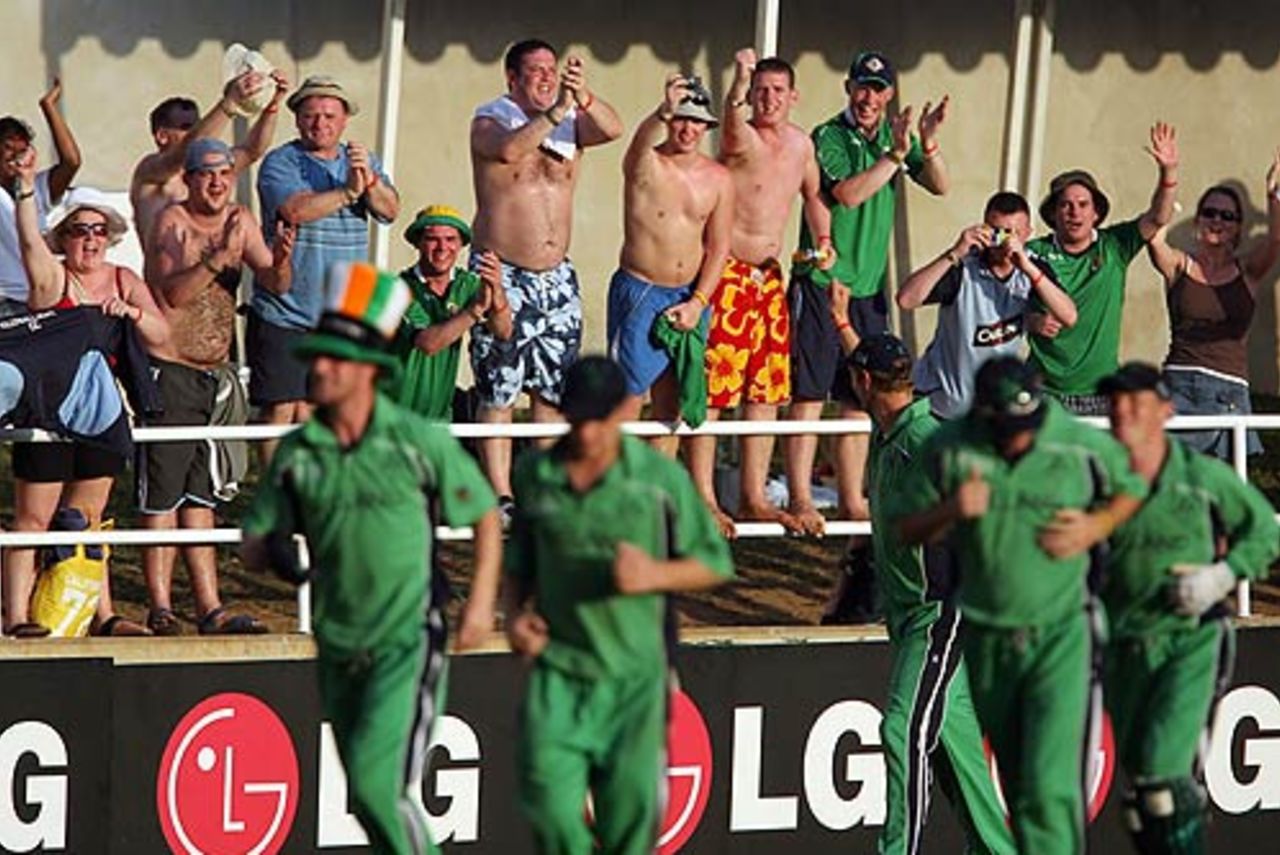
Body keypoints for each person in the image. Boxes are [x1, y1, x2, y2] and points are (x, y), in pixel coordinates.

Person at [242, 261, 502, 854]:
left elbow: (484, 513)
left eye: (332, 358)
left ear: (365, 369)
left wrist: (482, 605)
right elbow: (254, 537)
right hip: (338, 643)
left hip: (407, 639)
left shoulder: (417, 441)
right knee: (364, 795)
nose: (318, 368)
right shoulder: (299, 452)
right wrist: (271, 548)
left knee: (380, 787)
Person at [896, 357, 1147, 855]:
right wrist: (950, 510)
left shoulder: (1074, 439)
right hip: (990, 636)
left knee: (1051, 785)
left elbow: (1134, 487)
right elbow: (903, 526)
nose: (1019, 441)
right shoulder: (949, 445)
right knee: (1012, 780)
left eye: (1027, 427)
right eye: (1007, 430)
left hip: (1063, 636)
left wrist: (1096, 527)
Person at [504, 355, 733, 855]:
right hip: (558, 672)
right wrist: (515, 616)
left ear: (622, 413)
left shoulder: (657, 479)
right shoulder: (537, 475)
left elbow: (714, 562)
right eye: (577, 418)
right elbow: (519, 559)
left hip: (634, 677)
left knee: (629, 825)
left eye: (598, 419)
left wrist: (655, 573)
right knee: (548, 804)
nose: (586, 433)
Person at [842, 331, 1015, 855]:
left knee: (902, 731)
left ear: (865, 382)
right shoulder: (889, 429)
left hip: (943, 613)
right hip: (911, 615)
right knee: (953, 750)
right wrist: (843, 319)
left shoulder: (927, 441)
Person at [1100, 361, 1279, 853]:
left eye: (1136, 405)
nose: (1123, 416)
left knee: (1163, 776)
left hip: (1190, 639)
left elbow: (1265, 531)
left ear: (1165, 411)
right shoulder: (1102, 482)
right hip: (1126, 644)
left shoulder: (1198, 477)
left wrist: (1221, 575)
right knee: (1138, 793)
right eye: (1116, 405)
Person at [785, 50, 950, 535]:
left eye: (878, 89)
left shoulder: (894, 138)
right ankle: (798, 495)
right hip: (820, 282)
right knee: (810, 390)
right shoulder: (829, 135)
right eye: (862, 87)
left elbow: (940, 185)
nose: (869, 97)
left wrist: (929, 143)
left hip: (868, 288)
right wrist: (896, 155)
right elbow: (848, 194)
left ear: (889, 94)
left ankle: (851, 499)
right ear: (848, 88)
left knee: (862, 394)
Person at [139, 138, 295, 635]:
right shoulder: (171, 222)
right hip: (172, 370)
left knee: (203, 497)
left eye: (225, 173)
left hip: (218, 375)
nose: (217, 182)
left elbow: (274, 283)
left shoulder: (240, 219)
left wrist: (283, 260)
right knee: (163, 497)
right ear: (188, 178)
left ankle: (209, 605)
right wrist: (218, 257)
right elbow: (171, 295)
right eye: (207, 174)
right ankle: (160, 604)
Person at [8, 175, 170, 638]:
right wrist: (23, 194)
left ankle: (102, 615)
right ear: (63, 238)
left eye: (100, 230)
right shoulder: (52, 280)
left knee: (89, 520)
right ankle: (18, 614)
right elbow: (28, 244)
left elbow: (162, 337)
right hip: (48, 419)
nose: (91, 238)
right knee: (34, 519)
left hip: (101, 419)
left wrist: (134, 314)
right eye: (80, 230)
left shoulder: (124, 280)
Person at [686, 48, 834, 536]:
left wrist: (826, 241)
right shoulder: (741, 136)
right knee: (713, 391)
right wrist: (738, 79)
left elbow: (813, 197)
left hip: (770, 278)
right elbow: (729, 124)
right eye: (760, 91)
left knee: (764, 391)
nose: (767, 99)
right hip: (726, 271)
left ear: (793, 97)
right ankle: (704, 495)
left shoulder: (801, 146)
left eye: (776, 91)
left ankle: (753, 496)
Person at [470, 39, 623, 509]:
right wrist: (557, 111)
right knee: (500, 387)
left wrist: (584, 96)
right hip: (505, 274)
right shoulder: (490, 119)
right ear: (511, 77)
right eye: (535, 70)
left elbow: (614, 130)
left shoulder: (572, 122)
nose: (546, 76)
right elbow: (512, 151)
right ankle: (500, 493)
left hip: (556, 278)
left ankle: (544, 486)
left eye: (552, 69)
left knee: (552, 390)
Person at [253, 75, 400, 461]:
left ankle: (318, 488)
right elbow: (295, 211)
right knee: (280, 409)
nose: (320, 123)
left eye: (329, 116)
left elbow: (390, 210)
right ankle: (276, 492)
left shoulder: (362, 160)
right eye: (311, 115)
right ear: (298, 119)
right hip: (285, 309)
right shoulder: (280, 162)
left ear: (345, 119)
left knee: (323, 405)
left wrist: (368, 182)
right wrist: (349, 192)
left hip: (341, 311)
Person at [610, 72, 732, 455]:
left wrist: (698, 302)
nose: (688, 127)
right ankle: (613, 489)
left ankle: (655, 489)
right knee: (627, 398)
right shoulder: (647, 162)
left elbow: (720, 245)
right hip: (642, 290)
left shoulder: (719, 178)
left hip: (688, 296)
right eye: (681, 117)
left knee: (673, 401)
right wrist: (662, 111)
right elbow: (637, 147)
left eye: (696, 120)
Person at [1026, 123, 1179, 415]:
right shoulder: (1034, 252)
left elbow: (1159, 216)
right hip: (1042, 390)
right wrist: (1028, 321)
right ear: (1053, 213)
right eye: (1066, 205)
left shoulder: (1115, 246)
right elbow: (998, 303)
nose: (1075, 212)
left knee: (1097, 463)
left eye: (1083, 204)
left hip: (1100, 393)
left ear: (1096, 213)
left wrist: (1168, 173)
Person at [898, 190, 1077, 419]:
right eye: (996, 232)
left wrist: (1029, 270)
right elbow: (905, 299)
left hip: (990, 410)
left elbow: (1069, 316)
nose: (1003, 242)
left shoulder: (1031, 270)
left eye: (1011, 233)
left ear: (1027, 234)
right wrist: (955, 252)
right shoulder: (963, 269)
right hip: (943, 406)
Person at [1146, 156, 1280, 459]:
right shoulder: (1180, 264)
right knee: (1174, 482)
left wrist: (1273, 195)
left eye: (1227, 216)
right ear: (1198, 219)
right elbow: (1154, 240)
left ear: (1238, 228)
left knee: (1222, 491)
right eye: (1209, 213)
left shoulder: (1248, 270)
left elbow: (1276, 240)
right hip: (1177, 385)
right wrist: (1168, 176)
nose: (1217, 221)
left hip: (1227, 390)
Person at [130, 69, 288, 248]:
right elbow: (185, 152)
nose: (197, 132)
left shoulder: (211, 171)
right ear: (162, 136)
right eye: (187, 127)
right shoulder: (150, 172)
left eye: (198, 126)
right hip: (170, 274)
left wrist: (272, 106)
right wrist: (230, 103)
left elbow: (252, 150)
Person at [392, 204, 512, 421]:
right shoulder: (398, 288)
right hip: (394, 417)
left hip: (439, 419)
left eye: (450, 239)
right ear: (418, 243)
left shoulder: (466, 283)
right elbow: (428, 344)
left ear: (460, 245)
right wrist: (475, 309)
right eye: (432, 239)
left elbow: (503, 331)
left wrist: (497, 291)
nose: (442, 247)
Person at [0, 79, 81, 317]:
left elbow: (71, 162)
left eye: (22, 149)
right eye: (8, 147)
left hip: (46, 299)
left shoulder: (35, 186)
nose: (16, 155)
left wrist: (49, 107)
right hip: (6, 302)